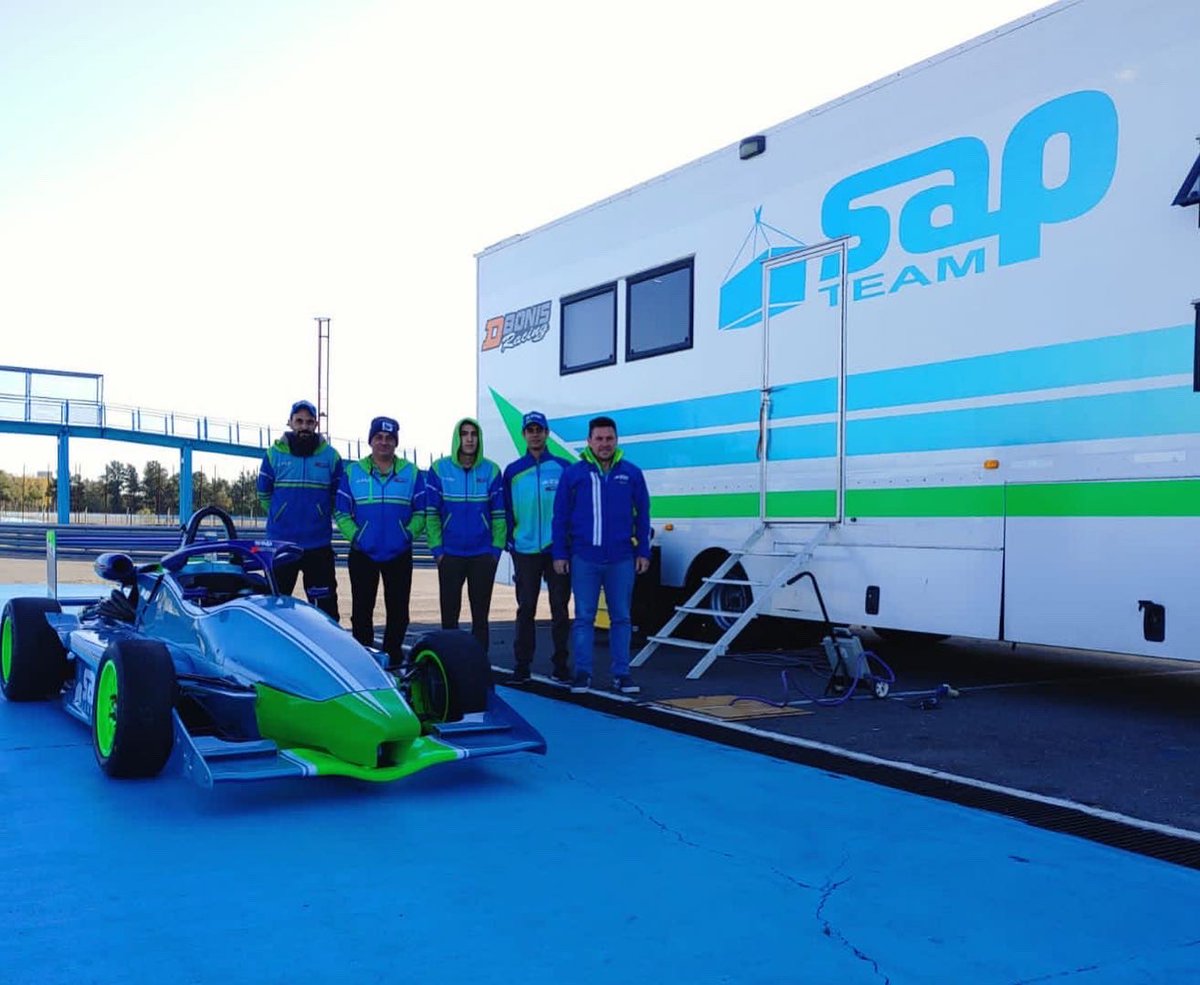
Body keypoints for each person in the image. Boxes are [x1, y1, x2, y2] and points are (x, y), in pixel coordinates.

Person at [552, 415, 651, 695]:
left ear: (616, 440)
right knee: (584, 617)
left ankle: (622, 674)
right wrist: (560, 553)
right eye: (599, 439)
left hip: (621, 558)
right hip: (584, 557)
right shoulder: (574, 474)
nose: (604, 444)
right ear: (589, 441)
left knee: (621, 617)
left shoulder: (631, 473)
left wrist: (642, 550)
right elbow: (560, 517)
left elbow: (643, 515)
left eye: (609, 439)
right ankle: (582, 673)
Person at [334, 416, 425, 667]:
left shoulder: (411, 472)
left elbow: (421, 512)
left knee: (399, 611)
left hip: (399, 552)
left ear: (396, 442)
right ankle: (363, 659)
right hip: (364, 552)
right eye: (379, 438)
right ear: (371, 440)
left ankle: (393, 656)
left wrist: (407, 535)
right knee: (362, 610)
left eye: (389, 438)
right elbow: (341, 512)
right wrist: (357, 536)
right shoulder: (353, 472)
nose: (384, 442)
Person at [256, 399, 343, 619]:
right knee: (273, 607)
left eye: (310, 422)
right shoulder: (274, 454)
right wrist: (281, 514)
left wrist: (319, 514)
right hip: (280, 544)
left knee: (326, 609)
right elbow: (263, 494)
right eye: (299, 421)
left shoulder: (331, 457)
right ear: (290, 422)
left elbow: (336, 495)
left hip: (318, 545)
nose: (304, 426)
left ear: (316, 425)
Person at [502, 410, 572, 686]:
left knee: (560, 609)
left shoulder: (564, 467)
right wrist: (511, 540)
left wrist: (566, 543)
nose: (534, 434)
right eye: (530, 430)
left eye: (539, 429)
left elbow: (571, 509)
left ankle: (561, 665)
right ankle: (522, 665)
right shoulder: (513, 471)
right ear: (524, 434)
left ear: (547, 433)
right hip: (525, 550)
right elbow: (505, 509)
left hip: (556, 550)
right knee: (526, 608)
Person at [425, 417, 505, 653]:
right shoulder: (439, 469)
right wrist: (438, 552)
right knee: (449, 618)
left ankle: (480, 668)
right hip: (450, 555)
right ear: (457, 438)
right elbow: (432, 515)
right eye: (465, 434)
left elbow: (499, 515)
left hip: (482, 556)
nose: (469, 439)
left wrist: (495, 551)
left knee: (481, 618)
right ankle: (449, 666)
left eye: (474, 434)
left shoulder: (492, 470)